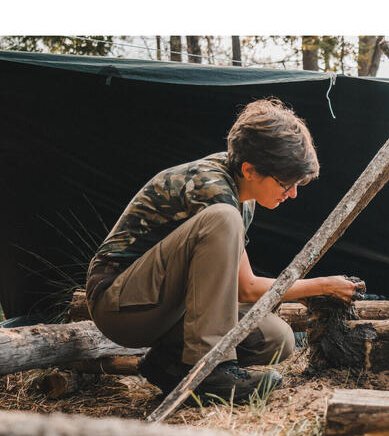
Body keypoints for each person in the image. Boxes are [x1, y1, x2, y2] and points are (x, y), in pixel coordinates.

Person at [86, 98, 363, 402]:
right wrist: (321, 286)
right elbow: (247, 287)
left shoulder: (243, 198)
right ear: (250, 169)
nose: (293, 194)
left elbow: (240, 287)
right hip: (120, 304)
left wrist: (319, 289)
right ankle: (211, 371)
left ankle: (167, 365)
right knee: (223, 218)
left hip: (166, 308)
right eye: (286, 183)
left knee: (276, 338)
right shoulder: (213, 189)